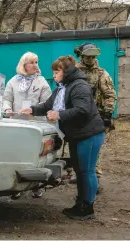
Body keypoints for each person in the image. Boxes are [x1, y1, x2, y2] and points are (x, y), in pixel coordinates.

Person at [21, 55, 105, 220]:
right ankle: (80, 203)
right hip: (77, 135)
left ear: (65, 72)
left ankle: (87, 207)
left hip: (89, 134)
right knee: (80, 171)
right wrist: (31, 110)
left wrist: (59, 114)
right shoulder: (62, 87)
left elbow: (82, 110)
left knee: (87, 171)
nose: (54, 75)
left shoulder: (79, 86)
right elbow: (47, 106)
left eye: (56, 72)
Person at [2, 51, 52, 199]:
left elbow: (48, 103)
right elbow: (6, 99)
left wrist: (35, 110)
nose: (35, 65)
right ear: (24, 65)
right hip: (17, 124)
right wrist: (7, 109)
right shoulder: (13, 81)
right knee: (16, 155)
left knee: (35, 156)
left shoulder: (41, 81)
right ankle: (16, 187)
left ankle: (36, 186)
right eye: (32, 62)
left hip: (36, 124)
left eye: (37, 62)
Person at [72, 43, 117, 193]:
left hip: (95, 117)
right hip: (77, 116)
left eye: (93, 57)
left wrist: (107, 114)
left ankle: (95, 178)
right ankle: (79, 175)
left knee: (93, 150)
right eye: (88, 56)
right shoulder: (74, 72)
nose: (91, 59)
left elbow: (110, 95)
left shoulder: (101, 74)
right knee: (76, 147)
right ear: (82, 56)